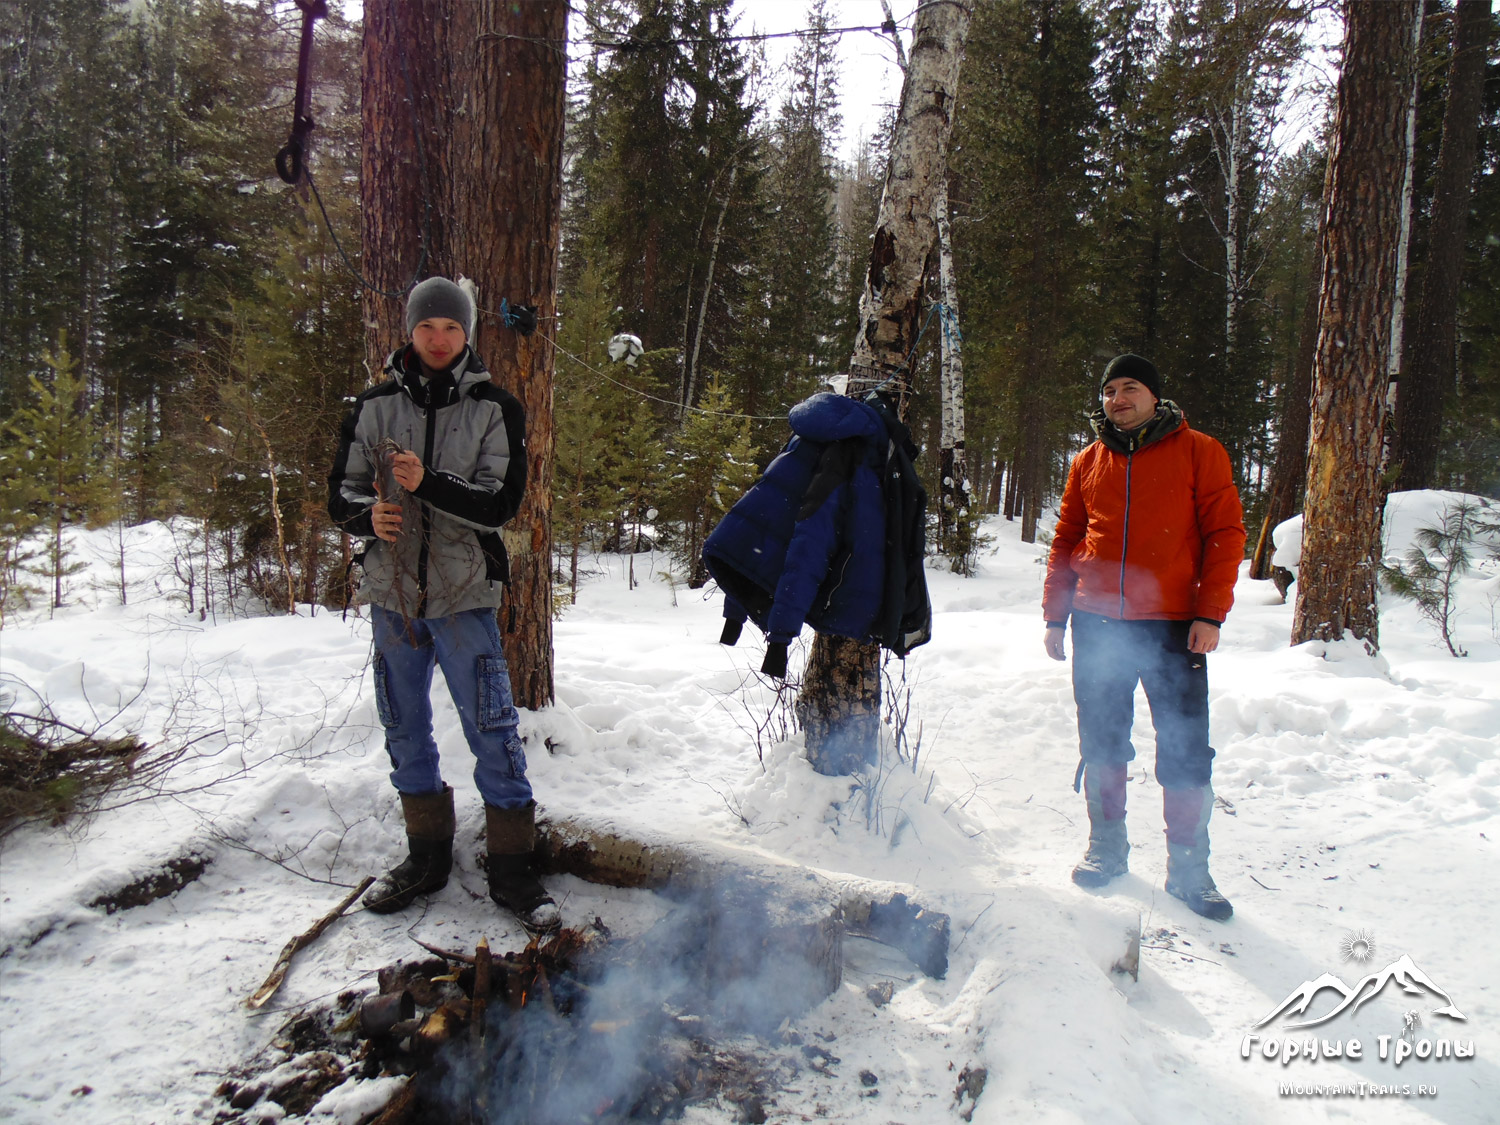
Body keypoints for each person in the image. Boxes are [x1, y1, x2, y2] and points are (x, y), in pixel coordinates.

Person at [328, 276, 558, 931]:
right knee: (402, 726)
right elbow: (337, 495)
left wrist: (429, 484)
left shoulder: (494, 408)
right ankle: (426, 856)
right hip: (392, 596)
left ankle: (513, 867)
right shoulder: (373, 407)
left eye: (450, 328)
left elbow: (499, 503)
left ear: (468, 333)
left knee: (492, 727)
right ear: (411, 330)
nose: (437, 338)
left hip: (463, 596)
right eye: (427, 327)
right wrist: (367, 516)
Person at [1042, 354, 1246, 921]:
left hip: (1174, 625)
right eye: (1109, 390)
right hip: (1097, 621)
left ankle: (1189, 869)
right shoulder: (1088, 460)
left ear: (1155, 396)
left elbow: (1226, 534)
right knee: (1103, 741)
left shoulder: (1200, 451)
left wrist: (1211, 613)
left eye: (1130, 387)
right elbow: (1067, 538)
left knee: (1184, 748)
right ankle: (1107, 849)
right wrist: (1056, 616)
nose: (1117, 398)